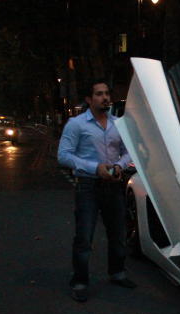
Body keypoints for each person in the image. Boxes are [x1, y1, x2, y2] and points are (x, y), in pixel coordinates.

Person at [57, 78, 135, 302]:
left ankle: (117, 273)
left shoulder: (118, 124)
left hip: (114, 185)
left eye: (107, 93)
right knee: (84, 236)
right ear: (89, 99)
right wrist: (95, 168)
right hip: (88, 187)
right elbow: (64, 155)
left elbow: (128, 151)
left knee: (118, 233)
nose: (105, 98)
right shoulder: (77, 124)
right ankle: (80, 281)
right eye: (99, 94)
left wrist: (119, 166)